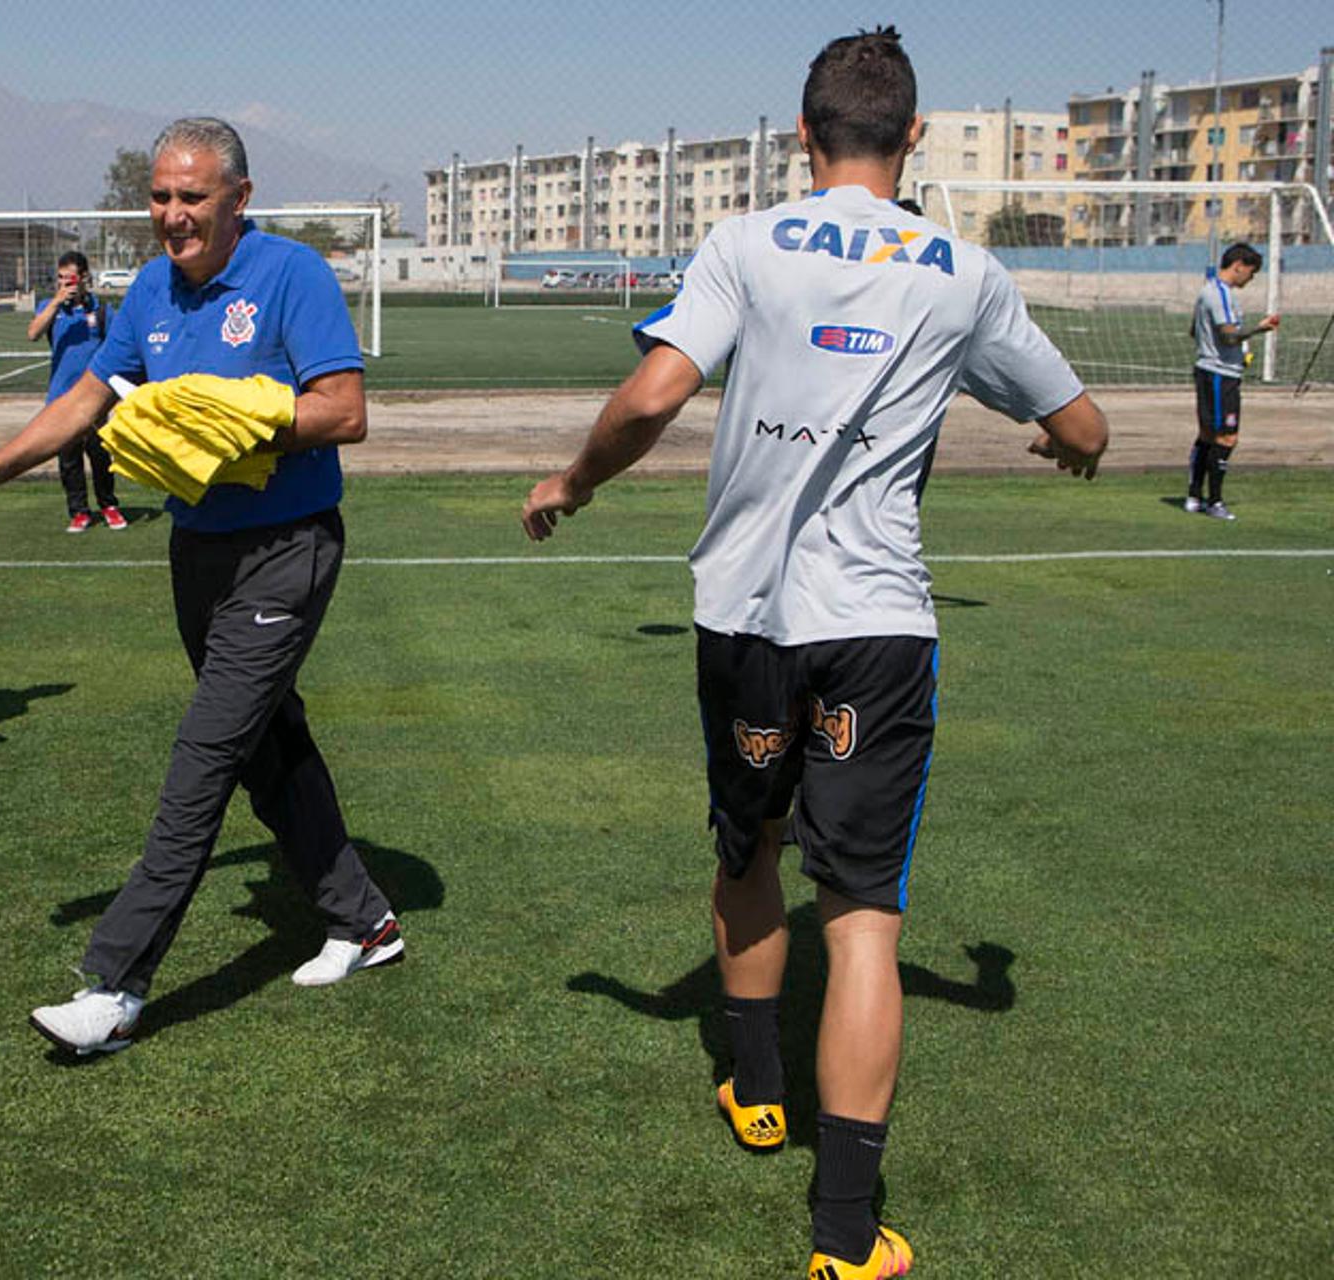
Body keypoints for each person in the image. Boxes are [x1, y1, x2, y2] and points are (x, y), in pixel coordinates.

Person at [520, 29, 1108, 1278]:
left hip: (746, 618)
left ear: (803, 136)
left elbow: (652, 394)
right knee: (865, 924)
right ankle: (847, 1238)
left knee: (748, 844)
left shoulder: (746, 241)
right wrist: (1076, 448)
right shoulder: (964, 270)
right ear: (912, 138)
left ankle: (757, 1083)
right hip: (879, 628)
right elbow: (1082, 420)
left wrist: (571, 479)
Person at [0, 117, 403, 1056]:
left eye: (193, 197)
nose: (173, 216)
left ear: (240, 197)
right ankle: (365, 919)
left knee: (203, 759)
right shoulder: (148, 288)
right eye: (160, 196)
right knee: (271, 743)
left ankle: (113, 985)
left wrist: (241, 418)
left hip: (287, 548)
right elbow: (84, 400)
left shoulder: (291, 276)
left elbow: (345, 412)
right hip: (198, 553)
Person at [25, 250, 126, 532]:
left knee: (100, 454)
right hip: (61, 399)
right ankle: (79, 511)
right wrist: (57, 302)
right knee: (69, 459)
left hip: (94, 398)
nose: (64, 284)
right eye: (59, 279)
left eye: (69, 279)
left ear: (84, 278)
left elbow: (117, 348)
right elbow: (32, 333)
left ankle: (109, 505)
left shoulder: (102, 310)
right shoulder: (50, 307)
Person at [1186, 242, 1278, 521]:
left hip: (1211, 369)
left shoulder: (1208, 291)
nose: (1251, 278)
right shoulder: (1220, 295)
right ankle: (1214, 501)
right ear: (1238, 265)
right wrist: (1259, 330)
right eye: (1250, 272)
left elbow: (1194, 331)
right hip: (1220, 374)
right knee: (1226, 437)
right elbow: (1227, 335)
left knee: (1207, 434)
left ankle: (1194, 496)